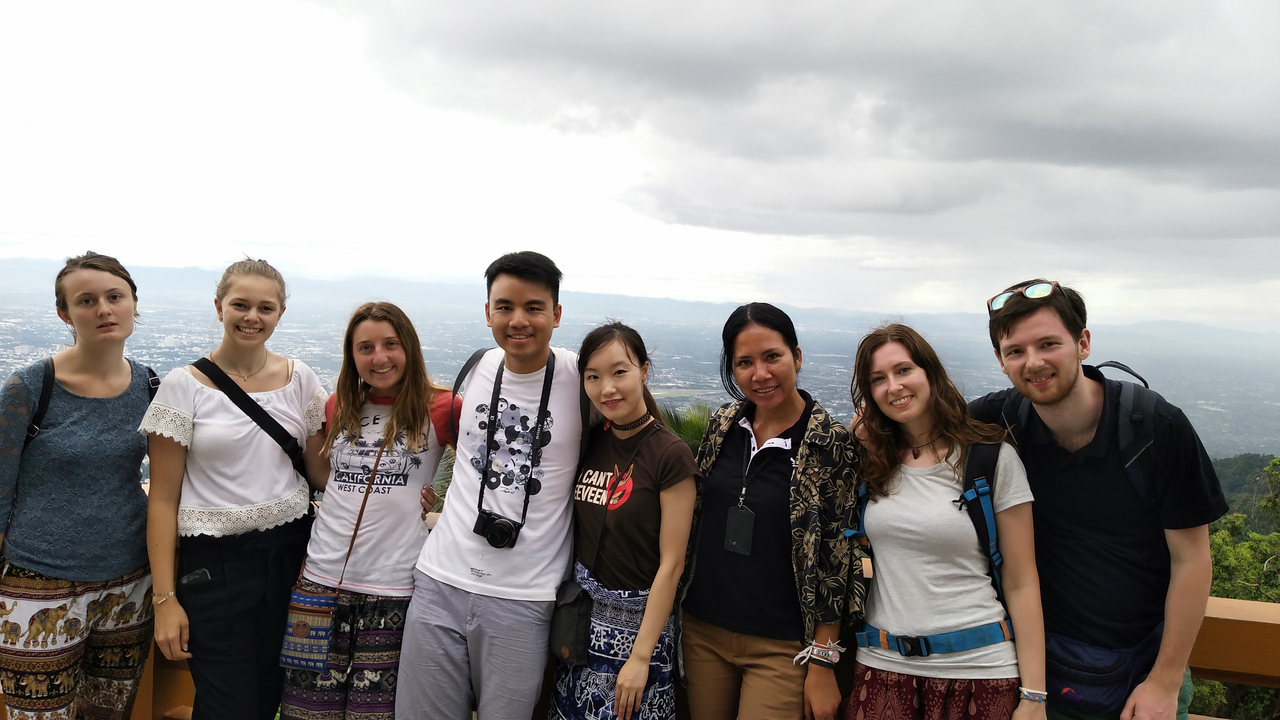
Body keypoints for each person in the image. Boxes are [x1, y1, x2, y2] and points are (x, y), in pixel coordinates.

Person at [970, 280, 1227, 720]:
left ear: (1083, 342)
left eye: (1048, 343)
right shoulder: (997, 421)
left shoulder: (1154, 427)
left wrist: (1164, 683)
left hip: (1141, 673)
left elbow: (1192, 560)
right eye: (1015, 351)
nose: (1033, 362)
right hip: (1040, 673)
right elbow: (915, 428)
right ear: (1000, 360)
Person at [396, 251, 585, 720]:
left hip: (525, 594)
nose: (518, 320)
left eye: (534, 307)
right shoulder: (476, 367)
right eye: (504, 307)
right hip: (440, 578)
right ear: (487, 313)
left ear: (557, 314)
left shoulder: (583, 377)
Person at [141, 258, 330, 720]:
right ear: (219, 306)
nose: (252, 317)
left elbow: (320, 473)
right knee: (231, 703)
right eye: (240, 305)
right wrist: (165, 600)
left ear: (280, 313)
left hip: (291, 557)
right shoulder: (184, 386)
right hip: (214, 566)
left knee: (275, 694)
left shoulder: (300, 378)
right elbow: (163, 499)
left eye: (265, 307)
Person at [841, 323, 1045, 720]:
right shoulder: (870, 463)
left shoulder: (991, 460)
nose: (894, 386)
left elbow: (1022, 581)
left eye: (904, 370)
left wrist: (1034, 696)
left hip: (980, 672)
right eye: (878, 379)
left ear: (930, 373)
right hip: (882, 669)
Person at [679, 302, 860, 720]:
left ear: (796, 356)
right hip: (704, 628)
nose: (760, 374)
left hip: (781, 645)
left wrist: (823, 660)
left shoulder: (830, 443)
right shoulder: (723, 424)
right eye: (745, 363)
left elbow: (838, 556)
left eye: (772, 357)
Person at [281, 302, 458, 720]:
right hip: (318, 584)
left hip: (395, 588)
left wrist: (439, 502)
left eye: (390, 344)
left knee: (375, 714)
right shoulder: (339, 404)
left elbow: (483, 471)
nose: (379, 357)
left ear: (409, 348)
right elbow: (325, 475)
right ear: (352, 355)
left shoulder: (446, 407)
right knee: (304, 710)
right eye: (366, 347)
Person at [0, 252, 156, 719]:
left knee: (107, 713)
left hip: (129, 583)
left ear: (133, 304)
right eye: (87, 300)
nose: (104, 309)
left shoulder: (150, 386)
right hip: (38, 580)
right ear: (65, 313)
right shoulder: (30, 388)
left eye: (114, 297)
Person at [550, 322, 698, 720]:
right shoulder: (593, 440)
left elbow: (672, 564)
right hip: (579, 627)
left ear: (644, 370)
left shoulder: (670, 455)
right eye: (593, 377)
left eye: (620, 372)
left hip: (638, 632)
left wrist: (640, 657)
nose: (606, 389)